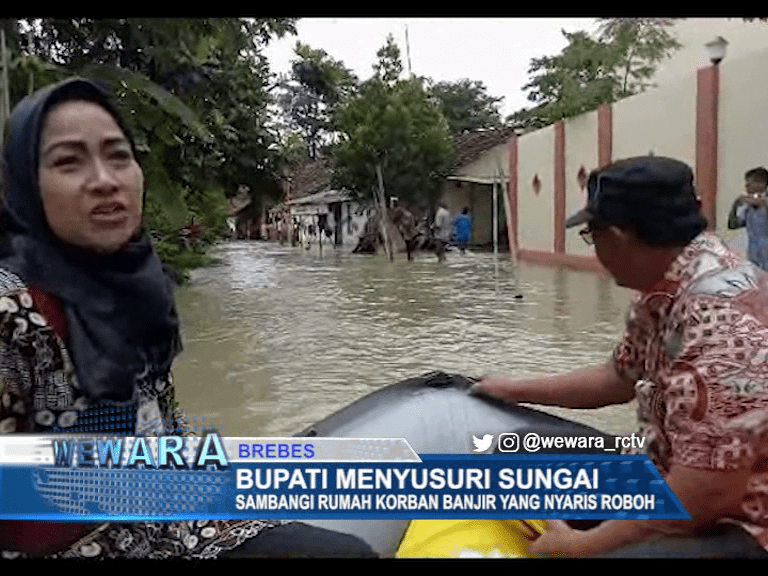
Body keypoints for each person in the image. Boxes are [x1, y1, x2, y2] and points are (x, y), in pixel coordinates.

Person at [0, 78, 377, 559]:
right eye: (68, 161)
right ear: (22, 188)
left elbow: (159, 423)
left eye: (119, 156)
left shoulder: (134, 285)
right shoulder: (14, 312)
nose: (105, 179)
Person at [473, 156, 768, 558]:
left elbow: (705, 496)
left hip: (742, 519)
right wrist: (511, 389)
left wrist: (579, 548)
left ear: (618, 234)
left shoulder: (722, 321)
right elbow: (619, 377)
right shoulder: (663, 285)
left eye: (591, 235)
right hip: (665, 470)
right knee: (513, 453)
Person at [727, 167, 768, 270]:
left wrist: (748, 200)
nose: (746, 186)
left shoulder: (763, 202)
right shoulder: (747, 207)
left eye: (749, 183)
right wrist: (735, 206)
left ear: (761, 184)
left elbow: (761, 203)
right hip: (753, 254)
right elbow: (733, 224)